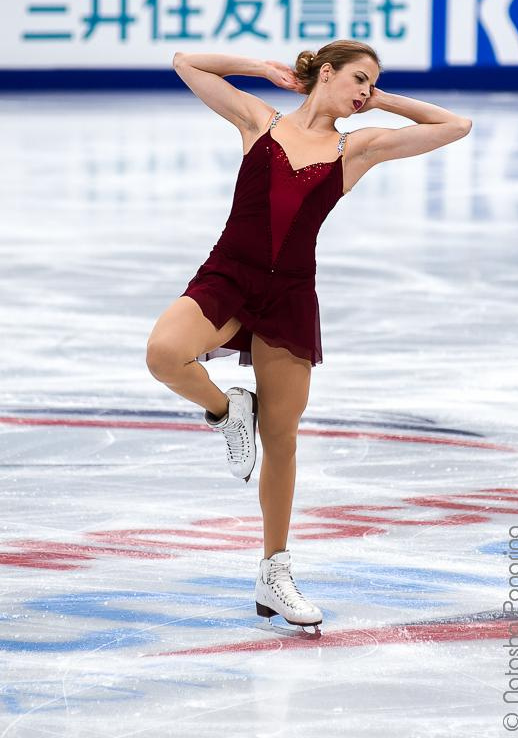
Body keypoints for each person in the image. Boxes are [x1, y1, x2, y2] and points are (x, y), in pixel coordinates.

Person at [146, 39, 472, 635]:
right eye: (358, 79)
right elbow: (185, 64)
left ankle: (274, 570)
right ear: (327, 73)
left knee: (282, 436)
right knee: (165, 354)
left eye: (370, 84)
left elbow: (457, 124)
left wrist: (380, 101)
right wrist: (263, 70)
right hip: (228, 274)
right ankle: (225, 410)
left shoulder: (358, 148)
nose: (363, 92)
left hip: (290, 293)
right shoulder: (259, 121)